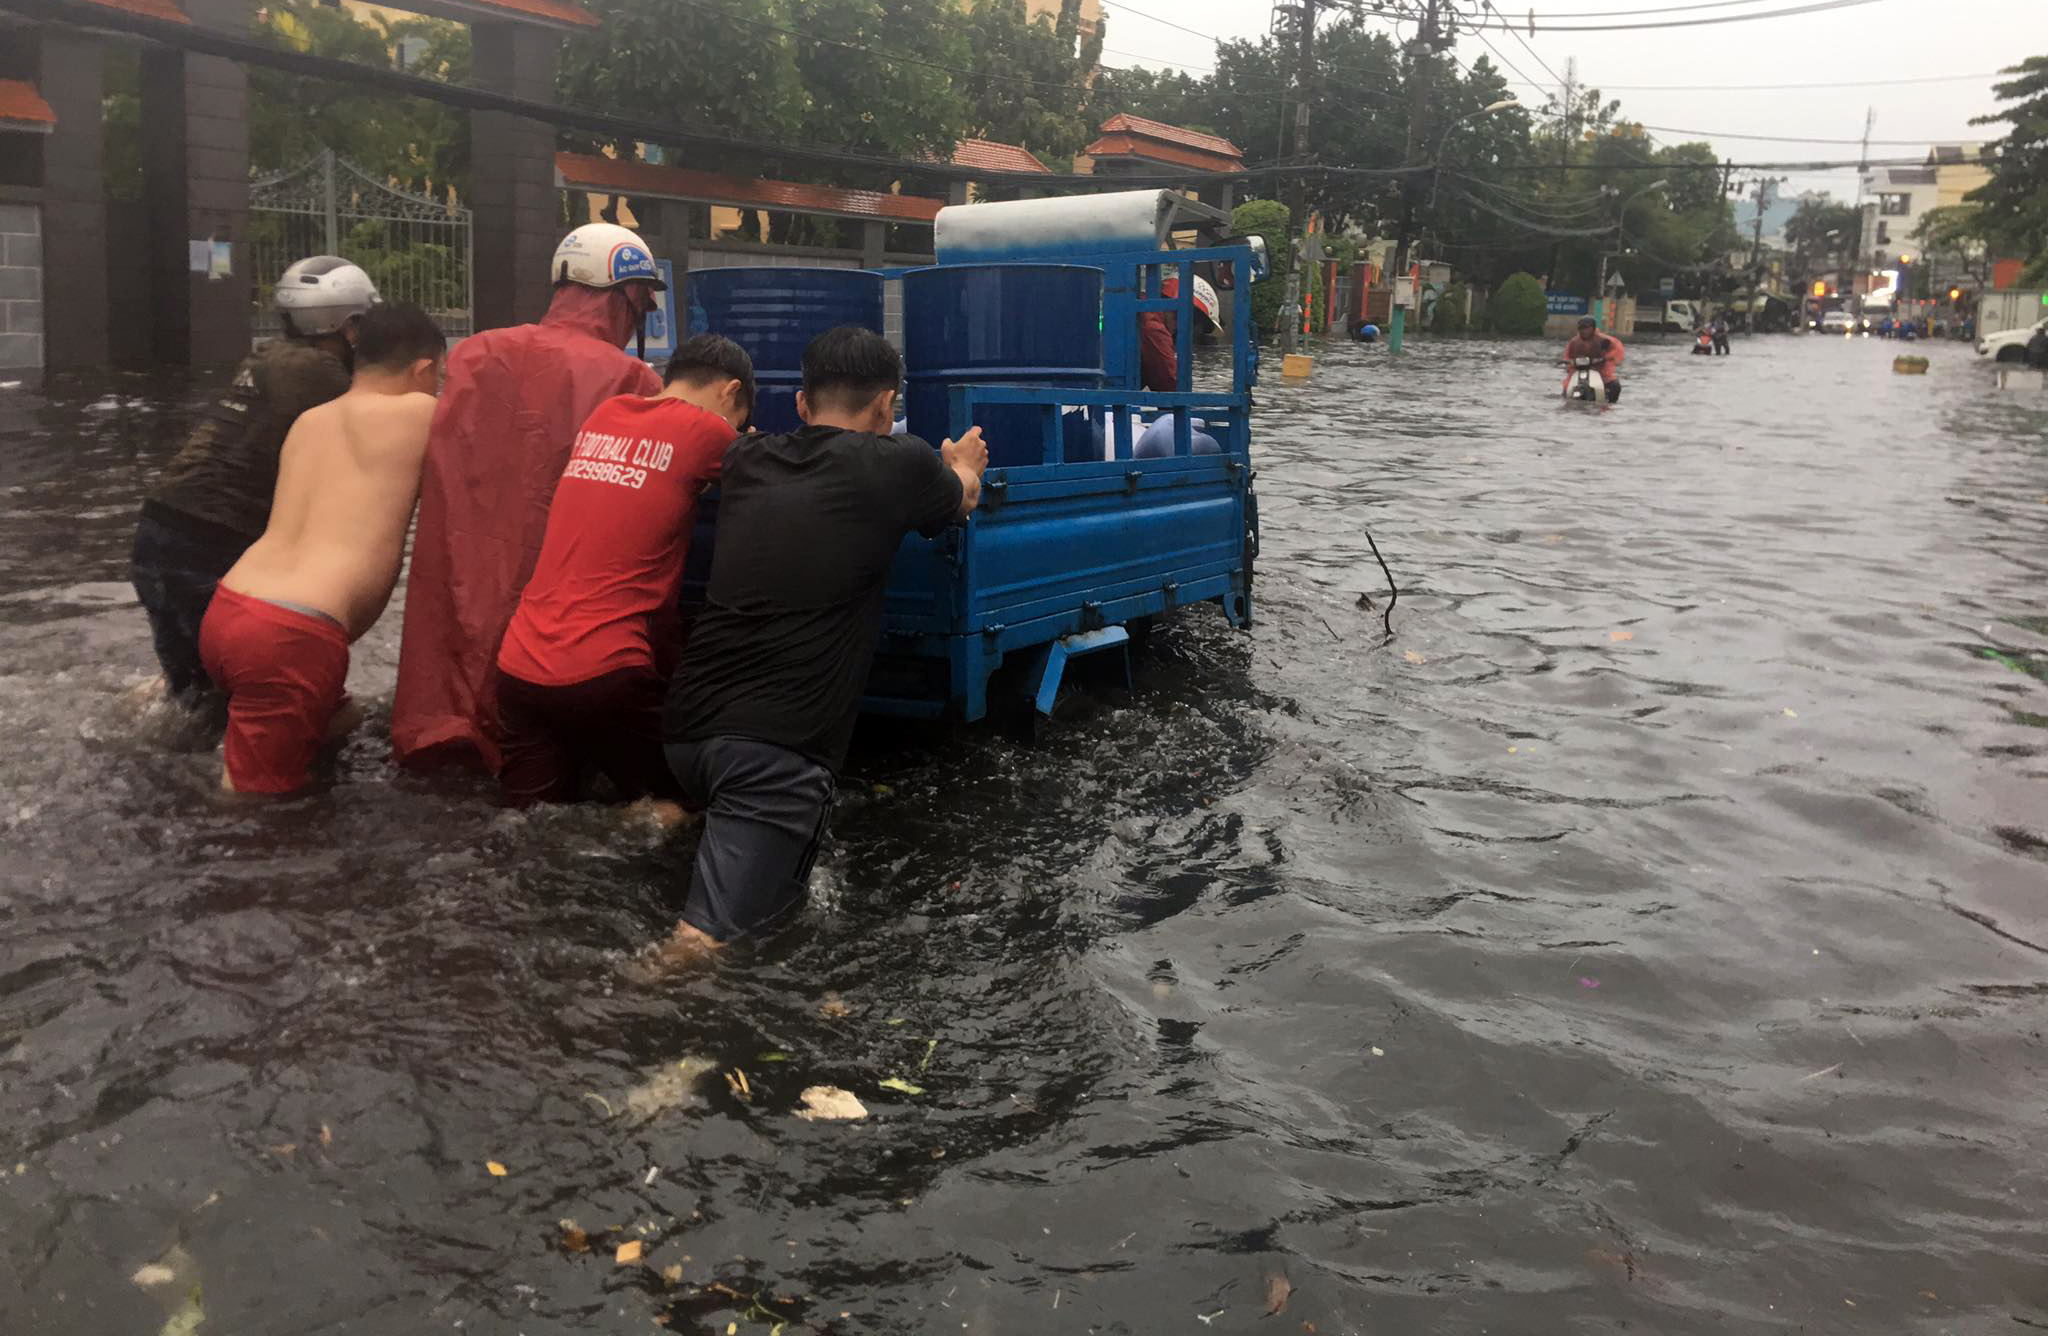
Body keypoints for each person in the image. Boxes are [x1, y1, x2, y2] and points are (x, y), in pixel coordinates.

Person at [655, 326, 987, 957]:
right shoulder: (899, 462)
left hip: (685, 731)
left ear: (802, 405)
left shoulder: (747, 460)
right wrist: (962, 465)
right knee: (706, 948)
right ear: (888, 406)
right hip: (772, 754)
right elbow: (962, 500)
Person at [392, 223, 667, 775]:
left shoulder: (475, 352)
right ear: (625, 294)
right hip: (552, 618)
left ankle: (445, 725)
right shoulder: (633, 380)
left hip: (461, 566)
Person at [492, 334, 755, 813]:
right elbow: (785, 475)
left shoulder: (604, 415)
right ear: (729, 392)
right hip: (606, 673)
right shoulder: (708, 430)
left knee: (531, 824)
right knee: (683, 802)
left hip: (517, 668)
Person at [198, 304, 446, 795]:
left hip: (230, 608)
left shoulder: (310, 420)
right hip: (290, 636)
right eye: (440, 373)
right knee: (255, 811)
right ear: (424, 369)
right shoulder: (423, 413)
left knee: (341, 722)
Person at [131, 256, 377, 704]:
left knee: (192, 695)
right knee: (256, 701)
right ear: (350, 326)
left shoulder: (266, 355)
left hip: (158, 527)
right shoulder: (322, 375)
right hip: (212, 540)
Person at [1562, 316, 1625, 404]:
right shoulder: (1574, 342)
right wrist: (1567, 361)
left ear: (1593, 328)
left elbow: (1617, 349)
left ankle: (1611, 404)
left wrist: (1605, 358)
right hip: (1578, 369)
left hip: (1601, 370)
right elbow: (1567, 355)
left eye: (1587, 328)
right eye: (1581, 328)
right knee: (1566, 388)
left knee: (1615, 386)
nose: (1584, 331)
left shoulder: (1604, 340)